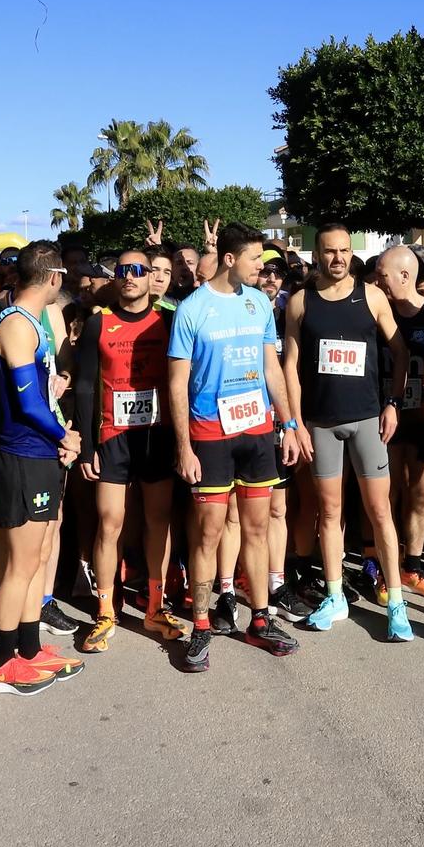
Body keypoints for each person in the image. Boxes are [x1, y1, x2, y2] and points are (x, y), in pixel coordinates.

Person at [169, 222, 303, 672]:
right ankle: (202, 623)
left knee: (258, 530)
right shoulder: (192, 309)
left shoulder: (259, 304)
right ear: (230, 259)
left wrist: (290, 423)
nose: (261, 268)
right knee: (208, 533)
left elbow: (272, 367)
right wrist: (184, 446)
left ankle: (260, 620)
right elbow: (177, 383)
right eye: (253, 259)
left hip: (257, 431)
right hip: (210, 435)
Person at [281, 223, 410, 637]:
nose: (337, 258)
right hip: (321, 423)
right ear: (316, 254)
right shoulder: (301, 303)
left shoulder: (371, 296)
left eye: (343, 251)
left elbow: (400, 351)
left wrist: (393, 403)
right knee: (329, 512)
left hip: (368, 420)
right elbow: (290, 368)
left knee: (380, 512)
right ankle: (335, 595)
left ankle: (396, 602)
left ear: (350, 253)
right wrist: (295, 423)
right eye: (329, 251)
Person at [72, 247, 184, 650]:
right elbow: (84, 386)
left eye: (139, 270)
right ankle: (105, 611)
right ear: (116, 277)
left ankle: (155, 605)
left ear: (151, 276)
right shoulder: (97, 325)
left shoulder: (169, 321)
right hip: (112, 436)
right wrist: (87, 447)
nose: (131, 277)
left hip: (157, 434)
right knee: (109, 521)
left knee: (158, 519)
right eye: (124, 271)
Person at [0, 241, 81, 694]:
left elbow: (40, 395)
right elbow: (25, 403)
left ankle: (28, 647)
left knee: (38, 558)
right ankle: (1, 663)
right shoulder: (18, 325)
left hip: (39, 452)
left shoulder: (32, 323)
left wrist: (61, 429)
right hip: (21, 452)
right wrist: (64, 435)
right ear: (55, 278)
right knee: (20, 565)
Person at [377, 245, 424, 603]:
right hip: (383, 417)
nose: (377, 281)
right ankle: (379, 567)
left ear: (406, 276)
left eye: (383, 274)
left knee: (423, 493)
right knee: (384, 495)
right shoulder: (377, 313)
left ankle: (413, 565)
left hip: (422, 416)